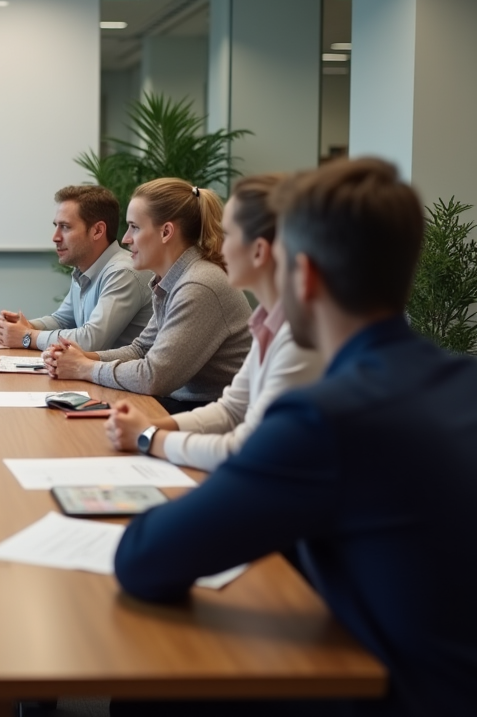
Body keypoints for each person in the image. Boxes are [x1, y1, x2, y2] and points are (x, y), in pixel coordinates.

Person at [113, 157, 477, 716]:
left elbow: (144, 558)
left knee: (153, 678)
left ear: (301, 275)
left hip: (394, 696)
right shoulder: (463, 380)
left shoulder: (322, 418)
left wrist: (150, 443)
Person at [104, 175, 324, 470]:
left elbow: (244, 449)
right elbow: (231, 410)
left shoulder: (296, 336)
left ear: (259, 251)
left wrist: (149, 436)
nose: (217, 244)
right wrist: (151, 427)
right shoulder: (268, 321)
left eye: (228, 234)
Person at [42, 178, 252, 414]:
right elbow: (141, 349)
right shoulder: (172, 278)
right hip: (185, 404)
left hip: (212, 413)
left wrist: (83, 367)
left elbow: (154, 377)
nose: (125, 239)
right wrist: (83, 357)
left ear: (166, 232)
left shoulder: (198, 284)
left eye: (135, 227)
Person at [0, 184, 150, 352]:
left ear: (97, 231)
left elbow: (91, 341)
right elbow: (63, 320)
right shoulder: (84, 268)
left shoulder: (123, 272)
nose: (55, 237)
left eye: (65, 227)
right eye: (56, 226)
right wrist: (26, 326)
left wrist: (27, 336)